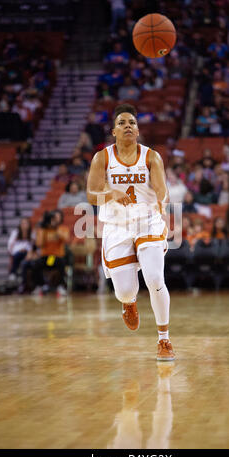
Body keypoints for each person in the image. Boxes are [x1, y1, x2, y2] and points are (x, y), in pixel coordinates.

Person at [87, 103, 175, 361]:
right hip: (116, 226)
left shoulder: (151, 157)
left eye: (132, 123)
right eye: (122, 122)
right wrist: (111, 193)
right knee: (124, 290)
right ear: (113, 131)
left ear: (137, 131)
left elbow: (162, 190)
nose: (128, 126)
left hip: (147, 221)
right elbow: (91, 195)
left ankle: (164, 339)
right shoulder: (102, 158)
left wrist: (162, 202)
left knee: (155, 278)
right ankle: (129, 302)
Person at [32, 211, 70, 296]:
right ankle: (41, 286)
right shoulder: (43, 230)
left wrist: (56, 230)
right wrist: (42, 229)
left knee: (61, 263)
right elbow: (39, 244)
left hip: (56, 256)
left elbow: (66, 239)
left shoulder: (62, 228)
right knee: (35, 264)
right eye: (52, 219)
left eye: (56, 219)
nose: (54, 221)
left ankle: (60, 286)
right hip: (46, 257)